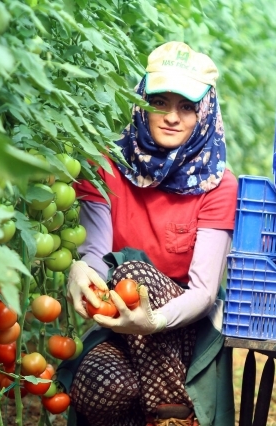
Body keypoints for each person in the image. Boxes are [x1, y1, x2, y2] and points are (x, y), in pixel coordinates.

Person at [61, 41, 238, 426]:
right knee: (102, 385)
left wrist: (153, 322)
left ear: (204, 114)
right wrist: (80, 268)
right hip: (121, 326)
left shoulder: (218, 185)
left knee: (132, 273)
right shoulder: (106, 166)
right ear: (141, 102)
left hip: (187, 328)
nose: (172, 116)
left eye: (186, 107)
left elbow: (204, 293)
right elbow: (97, 254)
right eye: (160, 102)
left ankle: (172, 416)